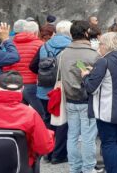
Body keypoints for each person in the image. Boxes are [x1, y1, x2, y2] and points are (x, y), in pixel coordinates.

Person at [82, 33, 117, 173]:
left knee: (108, 143)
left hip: (107, 108)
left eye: (100, 44)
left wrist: (86, 76)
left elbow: (91, 88)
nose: (99, 47)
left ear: (107, 45)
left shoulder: (104, 61)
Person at [58, 21, 100, 173]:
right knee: (88, 137)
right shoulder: (94, 55)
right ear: (87, 33)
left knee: (73, 135)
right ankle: (88, 168)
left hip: (69, 99)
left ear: (71, 34)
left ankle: (75, 168)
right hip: (87, 100)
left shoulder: (63, 54)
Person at [32, 20, 72, 164]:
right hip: (61, 90)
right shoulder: (71, 46)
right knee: (61, 121)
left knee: (48, 120)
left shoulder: (44, 46)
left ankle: (48, 153)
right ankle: (58, 155)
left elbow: (34, 65)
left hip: (44, 90)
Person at [3, 20, 45, 117]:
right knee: (40, 115)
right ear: (36, 32)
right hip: (32, 84)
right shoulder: (40, 44)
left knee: (17, 115)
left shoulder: (10, 45)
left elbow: (5, 66)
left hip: (14, 84)